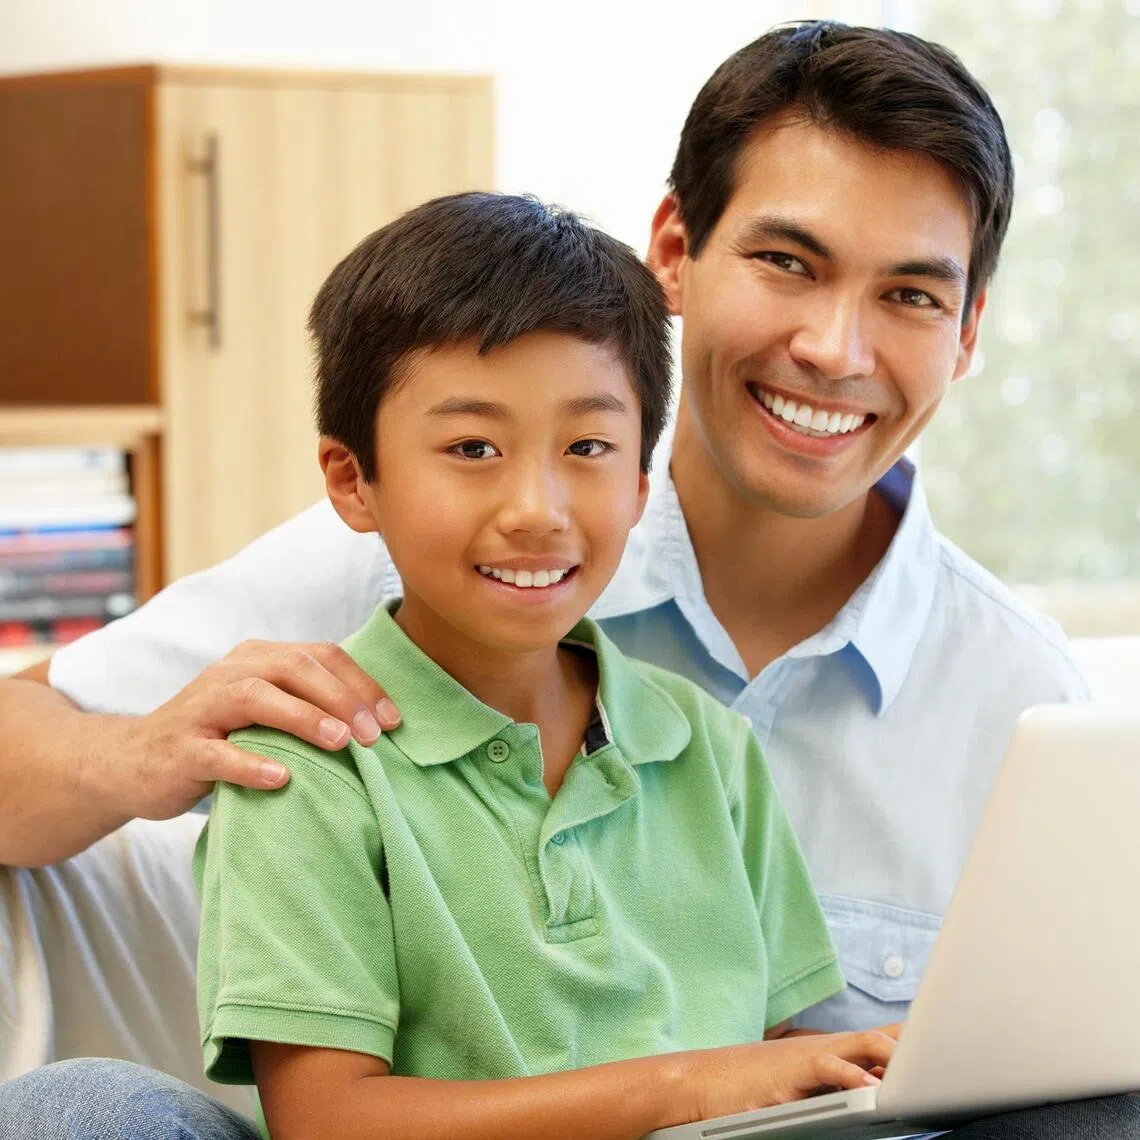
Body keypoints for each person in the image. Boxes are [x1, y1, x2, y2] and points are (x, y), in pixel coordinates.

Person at [2, 20, 1134, 1140]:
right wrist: (139, 753)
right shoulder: (398, 551)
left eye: (912, 295)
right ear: (677, 252)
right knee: (83, 1114)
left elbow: (833, 1069)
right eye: (789, 263)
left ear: (970, 330)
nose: (835, 348)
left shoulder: (1009, 695)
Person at [195, 187, 902, 1139]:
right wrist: (682, 1087)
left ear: (641, 481)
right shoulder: (308, 768)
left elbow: (778, 1073)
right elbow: (328, 1121)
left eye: (588, 446)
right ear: (353, 480)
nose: (538, 507)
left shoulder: (710, 750)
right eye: (473, 446)